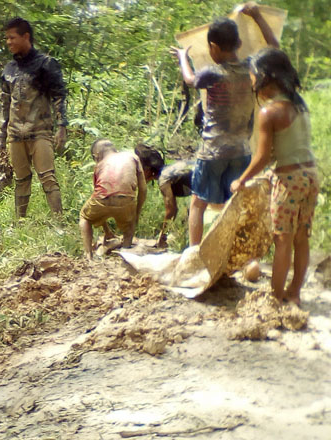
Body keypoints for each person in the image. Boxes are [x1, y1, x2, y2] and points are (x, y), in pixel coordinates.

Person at [170, 3, 279, 246]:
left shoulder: (212, 73)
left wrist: (183, 58)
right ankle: (233, 254)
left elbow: (189, 79)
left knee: (198, 202)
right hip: (241, 151)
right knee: (235, 203)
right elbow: (274, 49)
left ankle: (195, 255)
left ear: (213, 48)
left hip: (212, 151)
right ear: (239, 45)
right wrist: (259, 17)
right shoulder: (252, 67)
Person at [230, 48, 319, 305]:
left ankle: (275, 298)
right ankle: (294, 294)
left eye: (253, 76)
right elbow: (289, 148)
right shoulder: (299, 104)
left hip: (289, 181)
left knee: (282, 240)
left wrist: (242, 179)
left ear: (265, 76)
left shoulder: (269, 112)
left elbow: (262, 157)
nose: (252, 82)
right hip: (310, 176)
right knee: (302, 238)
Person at [0, 17, 68, 217]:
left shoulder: (45, 64)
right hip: (15, 133)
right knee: (21, 178)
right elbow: (4, 104)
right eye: (7, 38)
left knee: (47, 176)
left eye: (12, 37)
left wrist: (62, 126)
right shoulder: (9, 69)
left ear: (25, 36)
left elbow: (59, 95)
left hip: (40, 131)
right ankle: (20, 222)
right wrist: (0, 138)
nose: (8, 42)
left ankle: (58, 220)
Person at [79, 139, 147, 261]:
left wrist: (106, 229)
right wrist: (136, 213)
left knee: (85, 217)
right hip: (126, 199)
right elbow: (143, 189)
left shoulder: (99, 165)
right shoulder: (132, 157)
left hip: (102, 198)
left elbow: (99, 197)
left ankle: (88, 256)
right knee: (129, 227)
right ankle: (125, 254)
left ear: (97, 155)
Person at [134, 144, 195, 248]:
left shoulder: (164, 179)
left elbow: (171, 210)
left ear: (148, 170)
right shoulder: (170, 169)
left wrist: (162, 237)